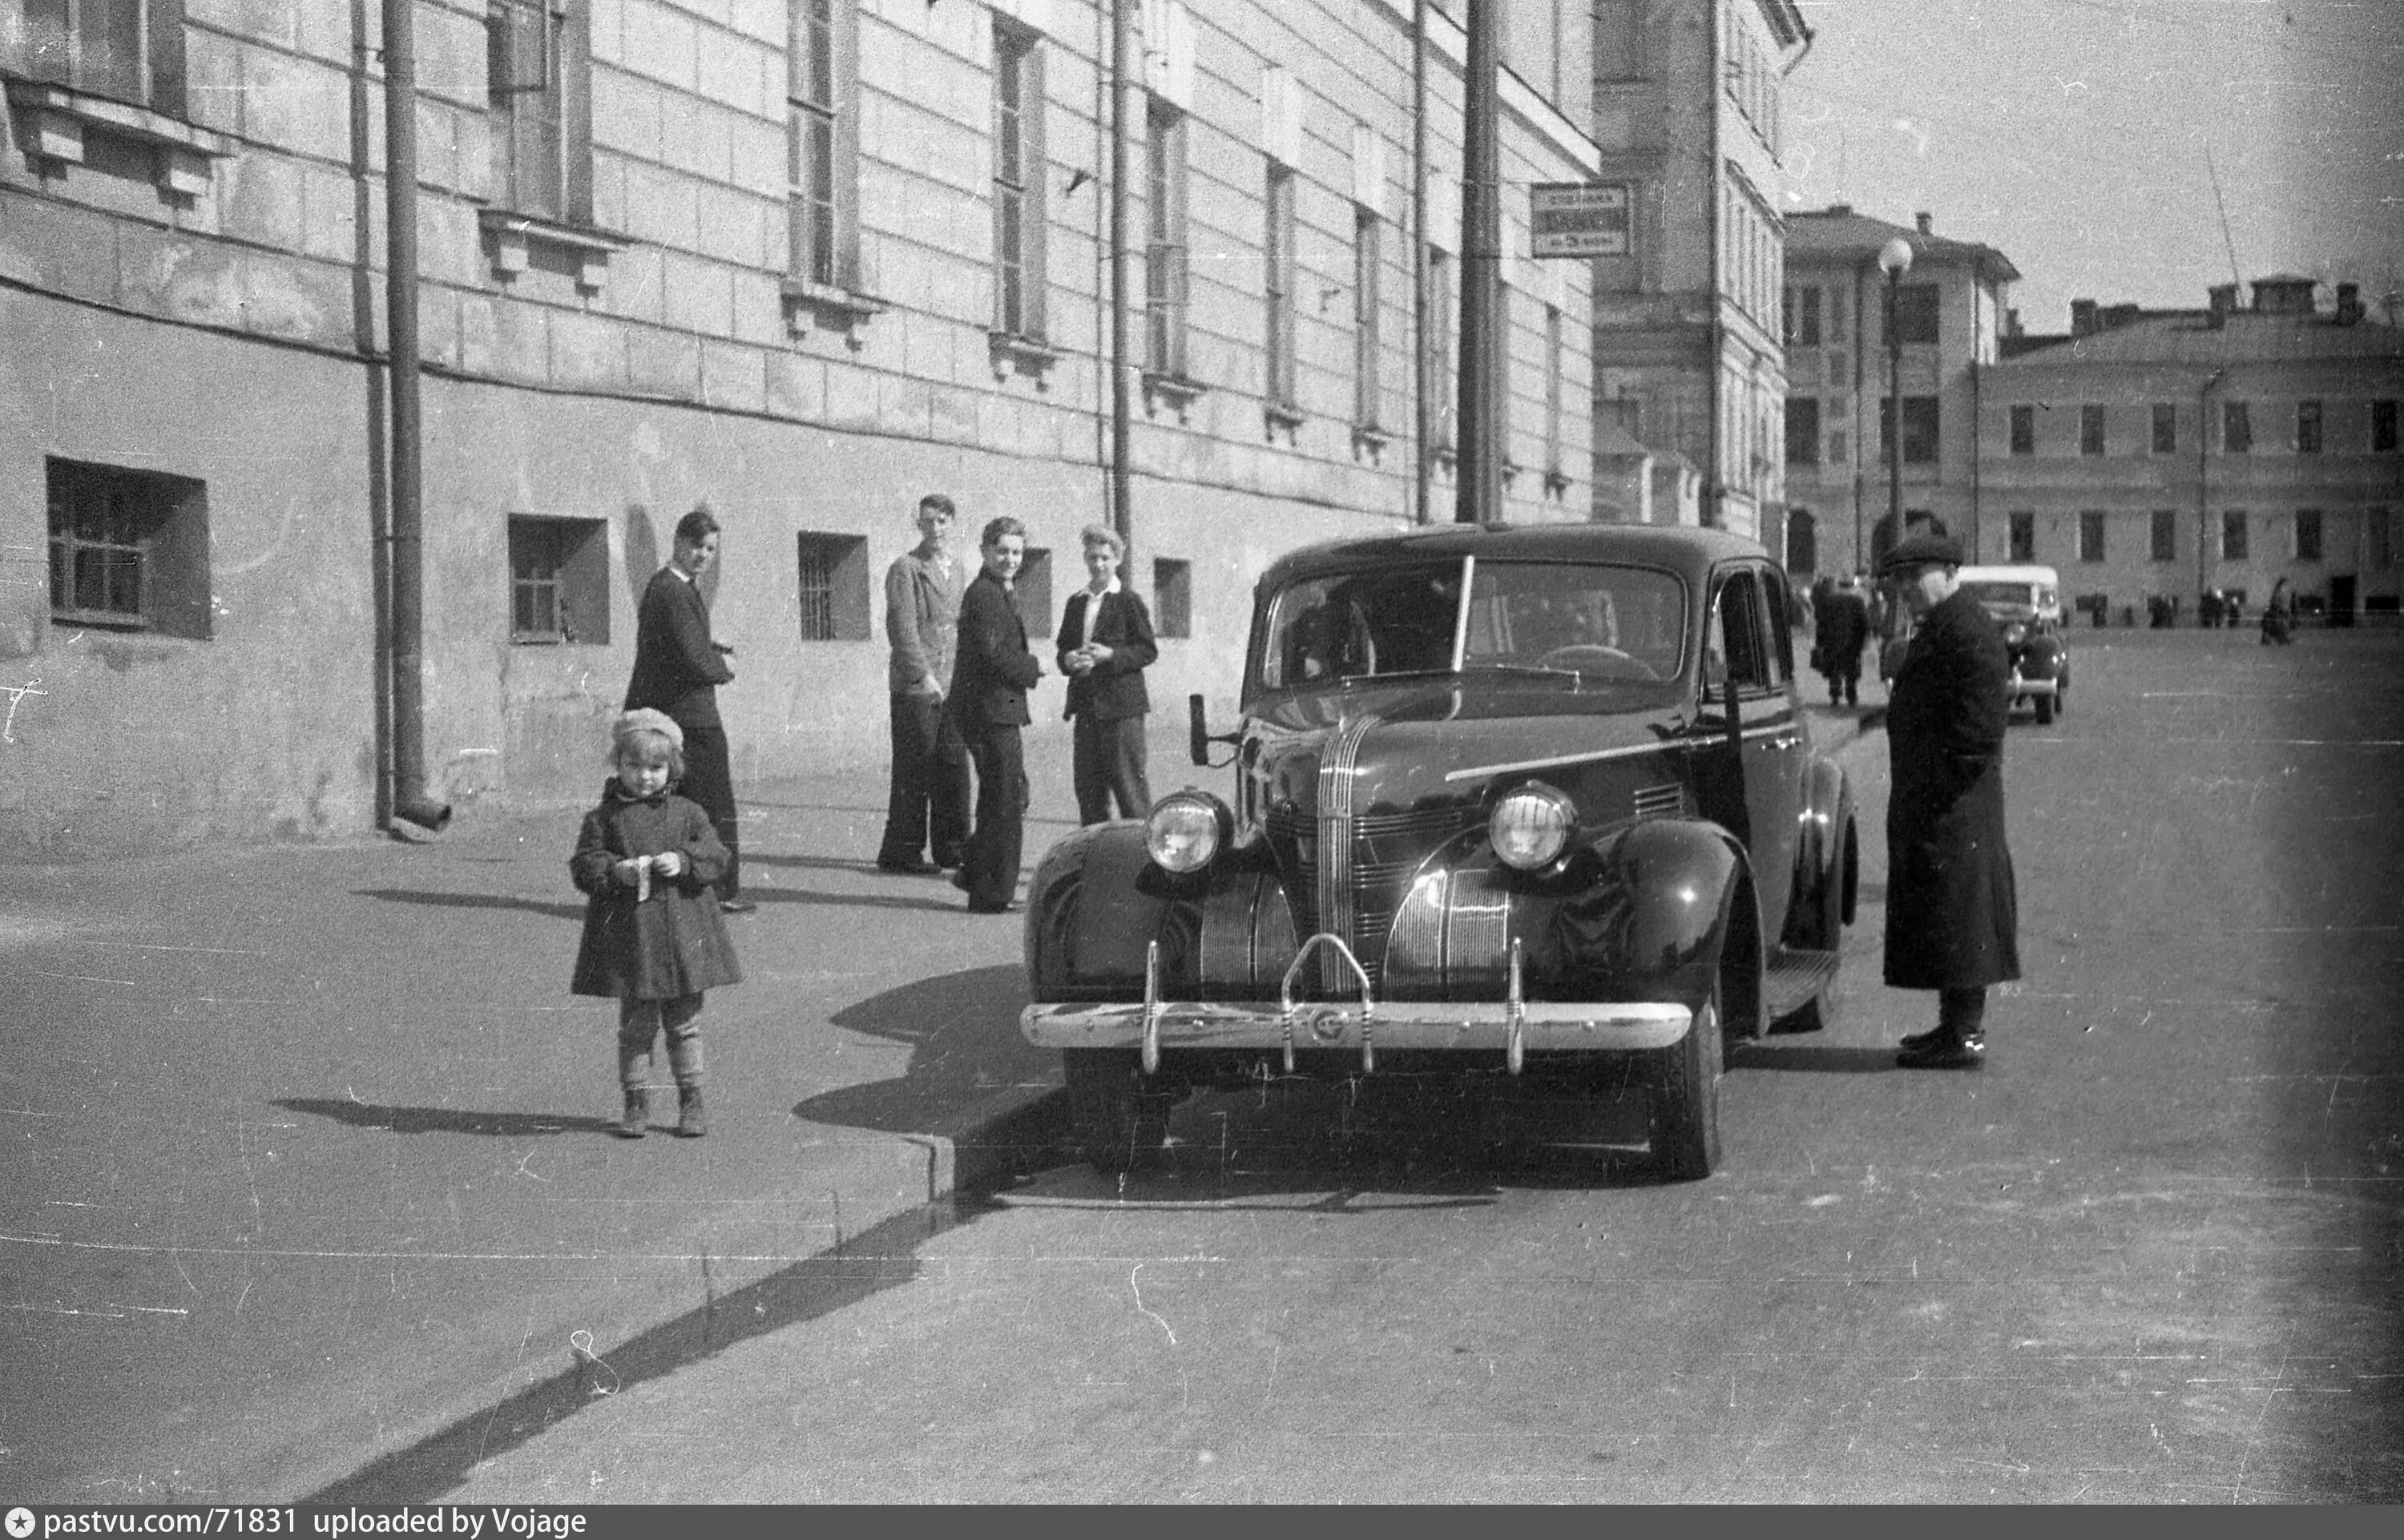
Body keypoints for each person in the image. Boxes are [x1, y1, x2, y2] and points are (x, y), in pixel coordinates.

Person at [1876, 531, 2021, 1070]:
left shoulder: (1966, 631)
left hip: (1956, 806)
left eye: (1917, 577)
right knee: (1949, 918)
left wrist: (1933, 787)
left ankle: (1965, 1035)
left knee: (1963, 919)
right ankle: (1952, 1027)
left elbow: (1980, 733)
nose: (1907, 589)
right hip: (1943, 803)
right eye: (1900, 580)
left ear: (1951, 571)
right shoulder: (1946, 624)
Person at [570, 710, 743, 1139]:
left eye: (656, 767)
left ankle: (692, 1101)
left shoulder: (688, 813)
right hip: (635, 943)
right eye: (635, 766)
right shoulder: (604, 819)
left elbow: (718, 856)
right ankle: (636, 1103)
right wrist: (616, 871)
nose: (645, 777)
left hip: (683, 938)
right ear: (619, 764)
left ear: (672, 769)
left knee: (685, 1025)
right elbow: (585, 866)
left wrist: (684, 861)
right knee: (636, 1027)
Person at [626, 508, 750, 913]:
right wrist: (724, 668)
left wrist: (712, 651)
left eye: (711, 549)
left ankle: (697, 890)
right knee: (713, 805)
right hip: (690, 718)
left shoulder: (676, 587)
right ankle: (717, 891)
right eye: (697, 546)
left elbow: (685, 646)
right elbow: (690, 657)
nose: (703, 555)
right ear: (678, 542)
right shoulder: (672, 590)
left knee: (684, 804)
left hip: (680, 714)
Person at [947, 518, 1043, 913]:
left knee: (1004, 796)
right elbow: (994, 654)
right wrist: (1033, 668)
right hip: (988, 711)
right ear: (985, 551)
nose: (1010, 559)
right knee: (1003, 800)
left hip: (994, 710)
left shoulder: (1000, 590)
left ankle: (976, 873)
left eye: (1017, 552)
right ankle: (991, 894)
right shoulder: (985, 594)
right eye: (1002, 551)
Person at [875, 494, 972, 874]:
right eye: (928, 521)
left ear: (952, 524)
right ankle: (901, 852)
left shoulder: (960, 569)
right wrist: (923, 675)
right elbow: (903, 629)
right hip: (917, 686)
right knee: (914, 769)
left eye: (943, 521)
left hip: (952, 683)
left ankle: (952, 848)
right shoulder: (906, 569)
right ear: (918, 524)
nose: (935, 529)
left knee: (952, 764)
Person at [1057, 524, 1159, 825]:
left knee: (1130, 790)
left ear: (1117, 560)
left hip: (1122, 710)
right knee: (1089, 792)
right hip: (1087, 707)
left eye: (1104, 558)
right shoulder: (1077, 602)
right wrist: (1069, 659)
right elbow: (1063, 647)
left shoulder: (1128, 601)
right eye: (1092, 558)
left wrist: (1111, 656)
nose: (1098, 565)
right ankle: (1094, 860)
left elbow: (1147, 650)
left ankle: (1142, 857)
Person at [1813, 573, 1872, 708]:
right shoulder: (1857, 601)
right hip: (1852, 640)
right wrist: (1864, 639)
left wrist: (1820, 642)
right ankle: (1851, 696)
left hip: (1832, 640)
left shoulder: (1829, 600)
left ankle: (1835, 694)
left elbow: (1821, 622)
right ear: (1852, 586)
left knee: (1834, 668)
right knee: (1851, 669)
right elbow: (1864, 622)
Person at [2261, 578, 2294, 645]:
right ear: (2280, 585)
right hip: (2278, 613)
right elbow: (2274, 602)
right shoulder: (2277, 593)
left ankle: (2284, 640)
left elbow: (2288, 604)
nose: (2286, 587)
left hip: (2284, 614)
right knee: (2279, 627)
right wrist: (2281, 608)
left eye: (2287, 585)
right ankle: (2283, 640)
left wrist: (2287, 610)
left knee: (2282, 628)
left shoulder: (2287, 594)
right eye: (2285, 585)